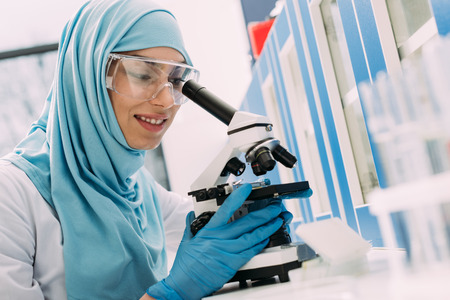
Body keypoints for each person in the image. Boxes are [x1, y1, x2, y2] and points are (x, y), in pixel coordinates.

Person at [0, 0, 298, 299]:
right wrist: (171, 292)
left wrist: (251, 219)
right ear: (89, 77)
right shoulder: (10, 194)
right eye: (143, 75)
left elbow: (206, 228)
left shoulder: (136, 188)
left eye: (176, 80)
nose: (166, 101)